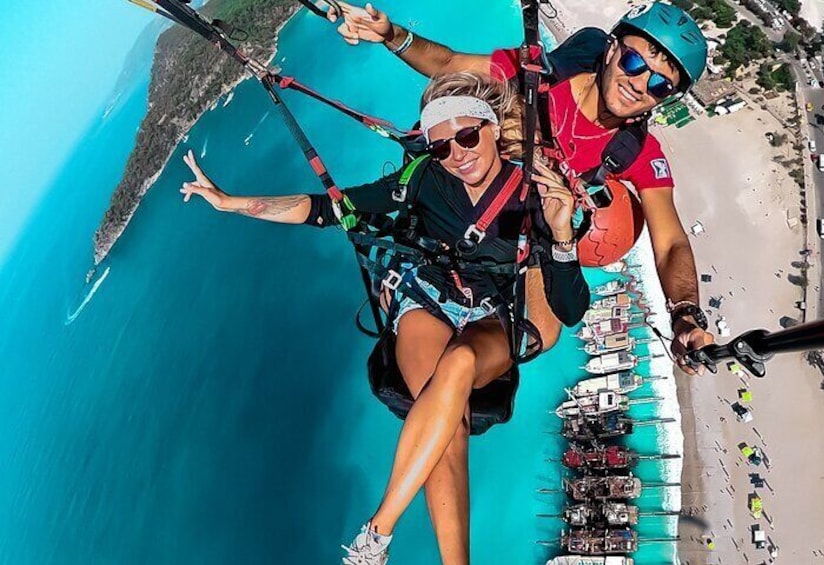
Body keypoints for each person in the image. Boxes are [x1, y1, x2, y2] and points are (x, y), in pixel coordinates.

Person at [180, 72, 589, 564]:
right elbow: (330, 210)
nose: (458, 154)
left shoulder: (536, 194)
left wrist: (562, 234)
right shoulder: (421, 180)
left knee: (459, 366)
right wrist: (234, 203)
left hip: (495, 315)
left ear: (492, 128)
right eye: (442, 147)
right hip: (427, 298)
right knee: (448, 427)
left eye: (467, 136)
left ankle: (376, 534)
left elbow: (569, 308)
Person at [327, 1, 716, 373]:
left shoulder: (639, 152)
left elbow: (670, 242)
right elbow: (449, 63)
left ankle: (461, 356)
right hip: (473, 182)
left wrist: (684, 312)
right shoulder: (542, 76)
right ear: (612, 48)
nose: (639, 83)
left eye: (660, 85)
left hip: (525, 226)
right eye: (635, 62)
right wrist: (391, 34)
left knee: (542, 335)